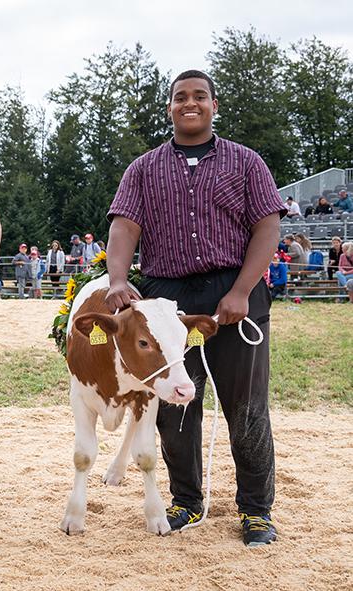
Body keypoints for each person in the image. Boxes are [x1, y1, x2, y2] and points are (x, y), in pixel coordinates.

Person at [106, 70, 283, 547]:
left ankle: (256, 511)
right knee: (176, 405)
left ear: (214, 105)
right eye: (180, 97)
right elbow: (124, 226)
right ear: (170, 108)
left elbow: (267, 228)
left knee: (246, 408)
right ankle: (187, 499)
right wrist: (119, 278)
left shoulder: (247, 163)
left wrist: (243, 290)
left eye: (199, 96)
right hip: (168, 301)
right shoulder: (143, 168)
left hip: (235, 294)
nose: (190, 103)